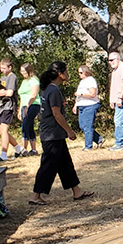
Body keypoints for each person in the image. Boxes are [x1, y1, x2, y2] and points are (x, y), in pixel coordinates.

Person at [31, 61, 94, 204]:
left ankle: (77, 192)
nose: (67, 74)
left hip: (54, 134)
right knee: (48, 166)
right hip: (52, 134)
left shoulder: (47, 89)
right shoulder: (53, 91)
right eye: (65, 71)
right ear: (59, 74)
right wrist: (69, 131)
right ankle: (35, 196)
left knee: (65, 163)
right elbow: (56, 114)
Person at [0, 58, 19, 162]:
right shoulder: (3, 78)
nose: (2, 70)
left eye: (4, 68)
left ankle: (4, 154)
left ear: (10, 67)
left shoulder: (12, 77)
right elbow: (0, 92)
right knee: (1, 131)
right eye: (1, 68)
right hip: (2, 106)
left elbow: (9, 93)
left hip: (9, 105)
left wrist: (1, 92)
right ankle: (18, 148)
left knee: (4, 129)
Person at [106, 51, 123, 151]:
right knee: (122, 120)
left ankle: (119, 143)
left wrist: (120, 98)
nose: (110, 62)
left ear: (118, 59)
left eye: (112, 60)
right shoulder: (115, 70)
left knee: (118, 121)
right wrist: (112, 100)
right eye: (108, 60)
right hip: (117, 99)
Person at [72, 64, 102, 150]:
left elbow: (93, 94)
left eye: (81, 72)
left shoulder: (91, 80)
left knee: (87, 126)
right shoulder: (82, 82)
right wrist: (75, 105)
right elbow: (78, 95)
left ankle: (88, 146)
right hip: (81, 105)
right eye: (79, 73)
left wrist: (81, 94)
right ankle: (99, 139)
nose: (79, 74)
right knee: (82, 126)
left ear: (86, 72)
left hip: (90, 105)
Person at [18, 63, 40, 156]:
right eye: (21, 71)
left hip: (33, 105)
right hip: (24, 105)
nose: (22, 73)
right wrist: (20, 110)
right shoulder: (24, 82)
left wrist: (27, 106)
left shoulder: (34, 80)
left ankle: (24, 149)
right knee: (29, 126)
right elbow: (22, 96)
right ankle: (33, 149)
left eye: (23, 71)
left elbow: (33, 95)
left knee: (25, 125)